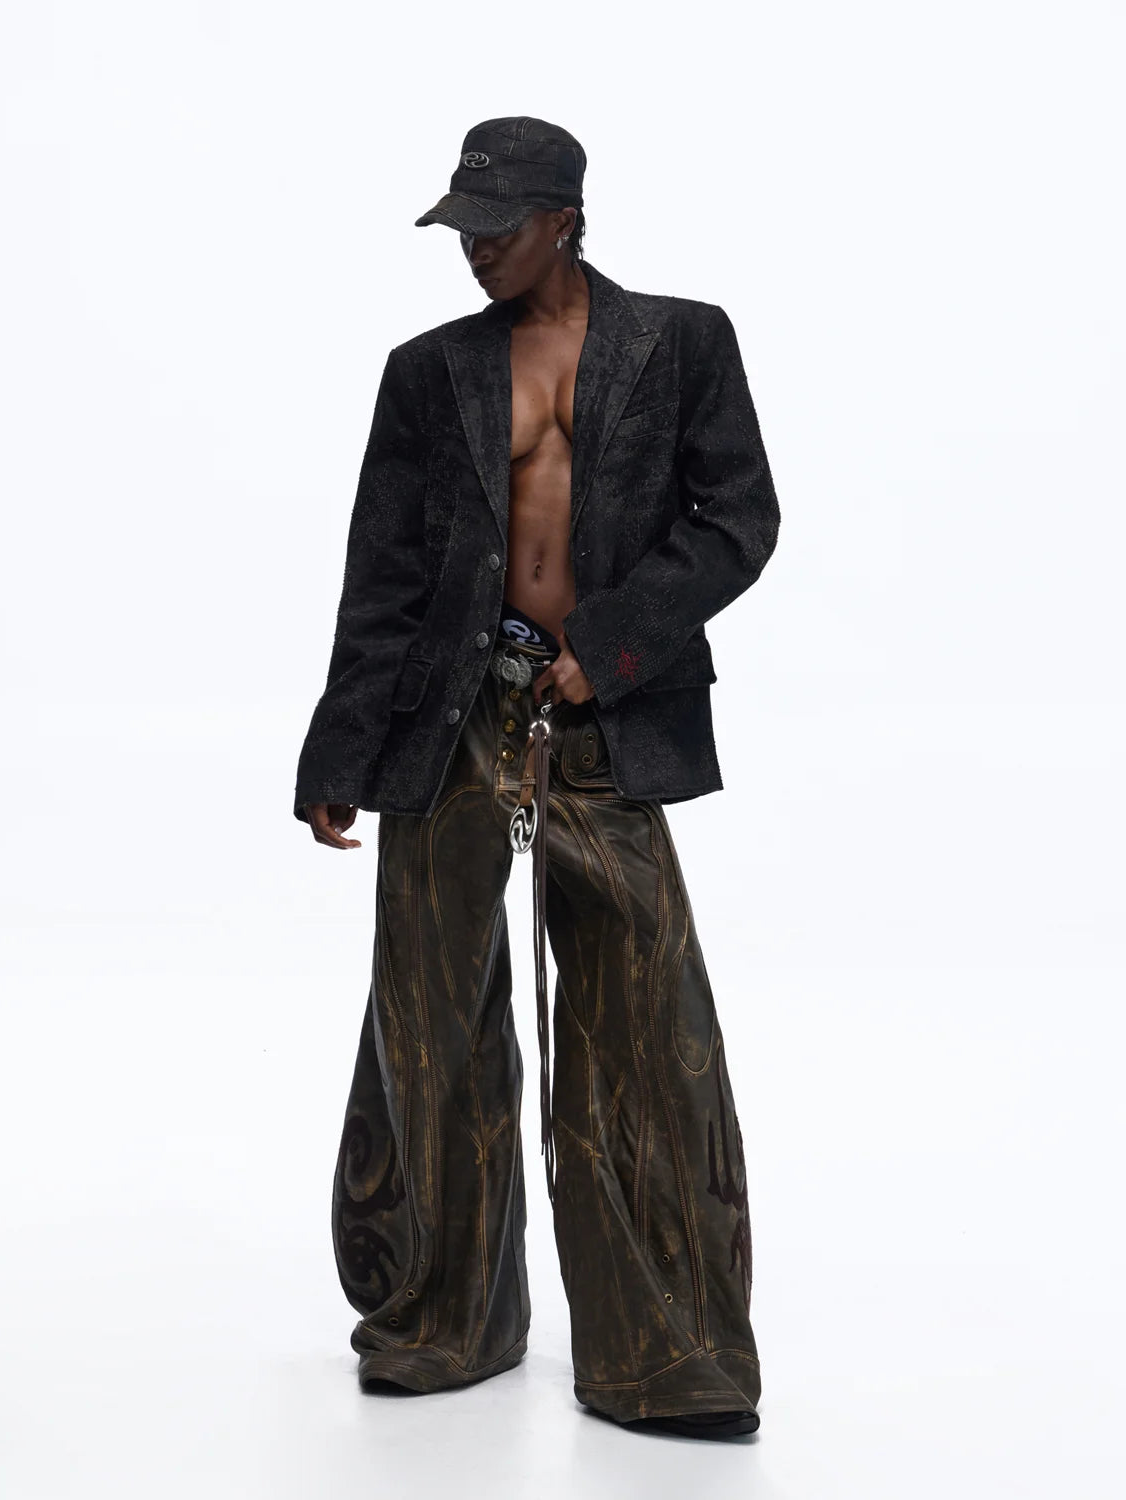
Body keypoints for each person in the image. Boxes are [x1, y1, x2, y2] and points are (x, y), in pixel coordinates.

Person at [293, 116, 780, 1439]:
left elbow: (740, 521)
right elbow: (384, 574)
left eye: (498, 227)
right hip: (447, 715)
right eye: (462, 227)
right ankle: (444, 1321)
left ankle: (667, 1357)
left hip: (602, 714)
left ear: (566, 218)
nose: (476, 250)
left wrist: (609, 650)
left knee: (644, 1027)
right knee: (431, 1013)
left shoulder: (683, 342)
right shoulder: (427, 372)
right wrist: (341, 751)